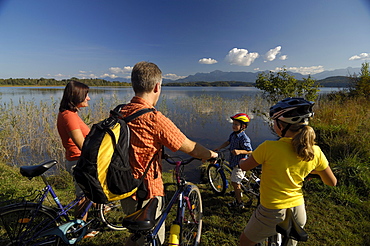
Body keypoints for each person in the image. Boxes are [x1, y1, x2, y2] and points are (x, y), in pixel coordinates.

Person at [120, 61, 218, 246]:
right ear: (157, 87)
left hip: (122, 186)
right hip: (146, 192)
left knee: (136, 235)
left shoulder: (120, 112)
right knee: (154, 238)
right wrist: (211, 155)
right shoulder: (153, 119)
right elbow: (190, 146)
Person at [238, 97, 337, 246]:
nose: (273, 125)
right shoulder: (315, 151)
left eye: (274, 122)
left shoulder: (268, 147)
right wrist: (312, 172)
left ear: (281, 125)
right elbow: (332, 182)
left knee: (244, 243)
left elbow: (245, 167)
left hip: (272, 211)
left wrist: (241, 160)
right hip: (298, 211)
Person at [56, 80, 98, 238]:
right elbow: (81, 145)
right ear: (77, 96)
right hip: (78, 161)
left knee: (87, 192)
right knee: (82, 197)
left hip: (76, 159)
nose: (89, 98)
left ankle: (99, 206)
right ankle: (79, 230)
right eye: (86, 95)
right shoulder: (69, 116)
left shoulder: (69, 114)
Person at [215, 113, 253, 209]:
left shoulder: (244, 138)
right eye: (233, 124)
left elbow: (250, 150)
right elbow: (228, 142)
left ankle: (239, 203)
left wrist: (239, 151)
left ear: (243, 126)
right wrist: (219, 147)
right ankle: (237, 191)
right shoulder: (233, 135)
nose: (233, 126)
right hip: (234, 161)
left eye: (236, 124)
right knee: (236, 178)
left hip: (240, 164)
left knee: (235, 182)